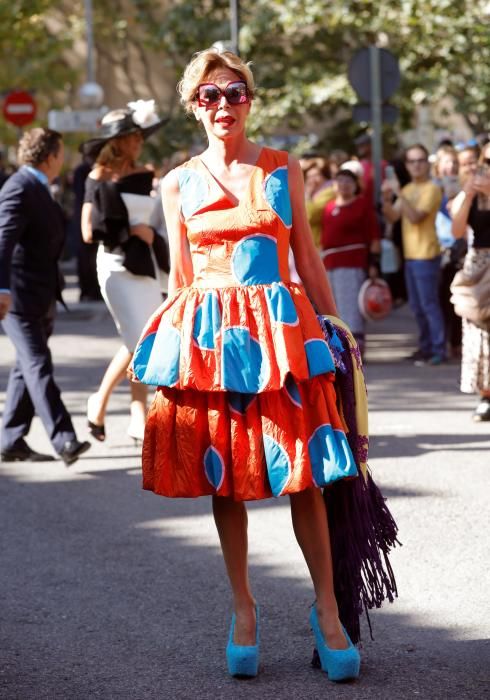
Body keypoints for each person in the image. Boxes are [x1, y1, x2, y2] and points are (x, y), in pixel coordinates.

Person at [131, 48, 398, 681]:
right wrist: (161, 363)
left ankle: (327, 611)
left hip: (283, 339)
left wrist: (338, 334)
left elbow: (306, 257)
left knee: (305, 476)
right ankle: (243, 609)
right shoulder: (177, 183)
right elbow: (181, 279)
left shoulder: (282, 168)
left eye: (234, 93)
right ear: (193, 106)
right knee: (229, 481)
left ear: (250, 100)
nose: (223, 105)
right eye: (208, 95)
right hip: (211, 344)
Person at [0, 128, 91, 465]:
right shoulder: (19, 187)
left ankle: (11, 439)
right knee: (38, 363)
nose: (63, 158)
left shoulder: (38, 186)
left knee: (26, 368)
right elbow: (3, 241)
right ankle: (65, 439)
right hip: (19, 298)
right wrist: (2, 289)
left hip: (39, 294)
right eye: (62, 152)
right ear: (51, 155)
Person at [79, 101, 168, 443]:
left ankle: (133, 414)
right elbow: (88, 232)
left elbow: (158, 219)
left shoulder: (146, 174)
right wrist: (132, 231)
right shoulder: (97, 177)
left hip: (145, 264)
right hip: (115, 265)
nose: (138, 142)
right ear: (117, 141)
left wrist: (150, 235)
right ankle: (106, 404)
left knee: (140, 338)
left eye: (140, 136)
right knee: (139, 339)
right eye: (132, 136)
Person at [382, 144, 446, 365]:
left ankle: (438, 349)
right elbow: (392, 217)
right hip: (410, 256)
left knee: (429, 305)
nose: (416, 165)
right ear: (407, 165)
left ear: (427, 162)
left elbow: (416, 217)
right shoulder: (408, 190)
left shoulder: (432, 188)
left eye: (420, 160)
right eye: (412, 161)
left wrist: (400, 193)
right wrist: (386, 198)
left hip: (427, 254)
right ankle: (426, 347)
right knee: (417, 307)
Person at [320, 167, 380, 356]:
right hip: (330, 263)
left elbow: (374, 236)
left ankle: (354, 351)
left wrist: (373, 263)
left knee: (351, 307)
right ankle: (337, 349)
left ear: (356, 186)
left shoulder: (362, 205)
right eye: (340, 181)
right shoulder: (329, 207)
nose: (344, 185)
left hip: (352, 262)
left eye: (348, 181)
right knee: (333, 307)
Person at [451, 143, 490, 421]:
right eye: (486, 160)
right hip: (477, 265)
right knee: (478, 329)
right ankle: (485, 394)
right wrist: (468, 192)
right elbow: (456, 229)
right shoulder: (473, 191)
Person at [303, 157, 335, 248]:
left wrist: (308, 194)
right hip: (312, 242)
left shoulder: (330, 191)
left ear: (324, 175)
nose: (311, 180)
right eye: (309, 177)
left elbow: (311, 215)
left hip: (320, 243)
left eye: (315, 175)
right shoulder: (315, 192)